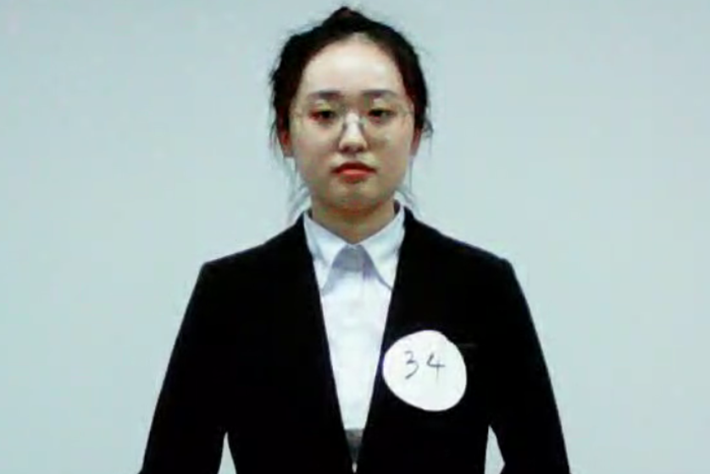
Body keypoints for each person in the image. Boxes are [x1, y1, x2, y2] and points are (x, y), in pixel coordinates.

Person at [138, 6, 570, 474]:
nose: (352, 138)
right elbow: (173, 464)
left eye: (379, 113)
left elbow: (542, 463)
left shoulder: (480, 286)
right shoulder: (231, 293)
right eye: (325, 114)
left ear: (416, 130)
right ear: (286, 133)